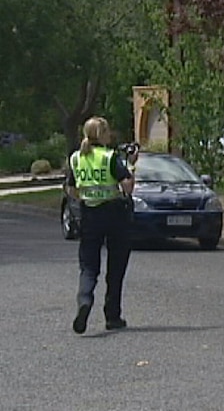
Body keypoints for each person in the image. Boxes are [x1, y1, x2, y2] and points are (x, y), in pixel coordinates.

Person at [66, 116, 136, 334]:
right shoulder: (110, 156)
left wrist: (86, 197)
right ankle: (112, 316)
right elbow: (128, 187)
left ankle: (85, 300)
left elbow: (71, 188)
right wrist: (131, 164)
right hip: (114, 214)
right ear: (102, 135)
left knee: (88, 266)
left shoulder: (77, 158)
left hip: (89, 214)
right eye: (108, 132)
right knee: (116, 267)